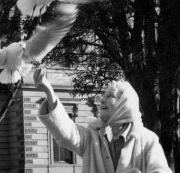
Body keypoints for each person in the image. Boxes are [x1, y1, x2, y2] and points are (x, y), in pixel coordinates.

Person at [33, 68, 172, 173]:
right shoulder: (91, 137)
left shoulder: (147, 140)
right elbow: (66, 130)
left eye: (110, 95)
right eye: (102, 96)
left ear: (125, 103)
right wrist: (49, 91)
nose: (103, 100)